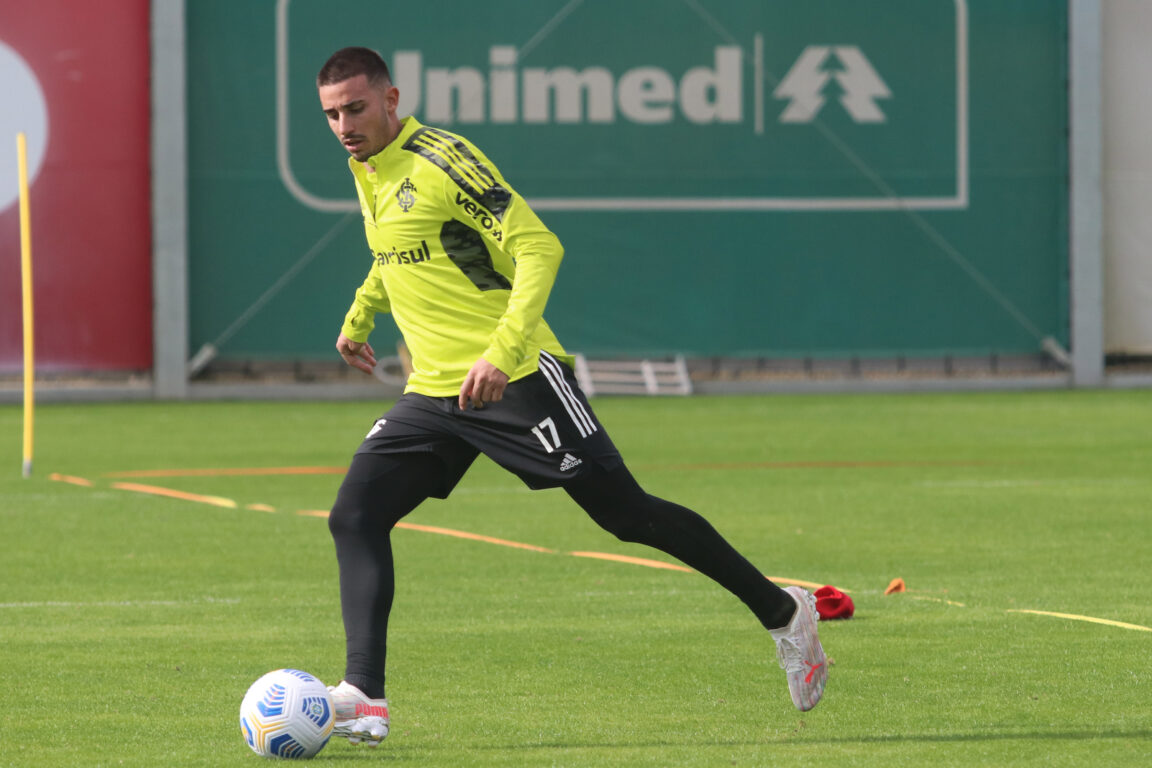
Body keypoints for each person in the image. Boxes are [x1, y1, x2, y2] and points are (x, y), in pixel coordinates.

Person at [315, 46, 828, 747]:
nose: (344, 125)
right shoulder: (368, 167)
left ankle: (784, 613)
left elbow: (538, 246)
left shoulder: (443, 160)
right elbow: (399, 251)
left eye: (356, 108)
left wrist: (502, 352)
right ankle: (364, 695)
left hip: (517, 376)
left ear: (392, 99)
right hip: (435, 392)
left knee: (627, 515)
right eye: (332, 114)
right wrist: (359, 315)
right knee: (354, 516)